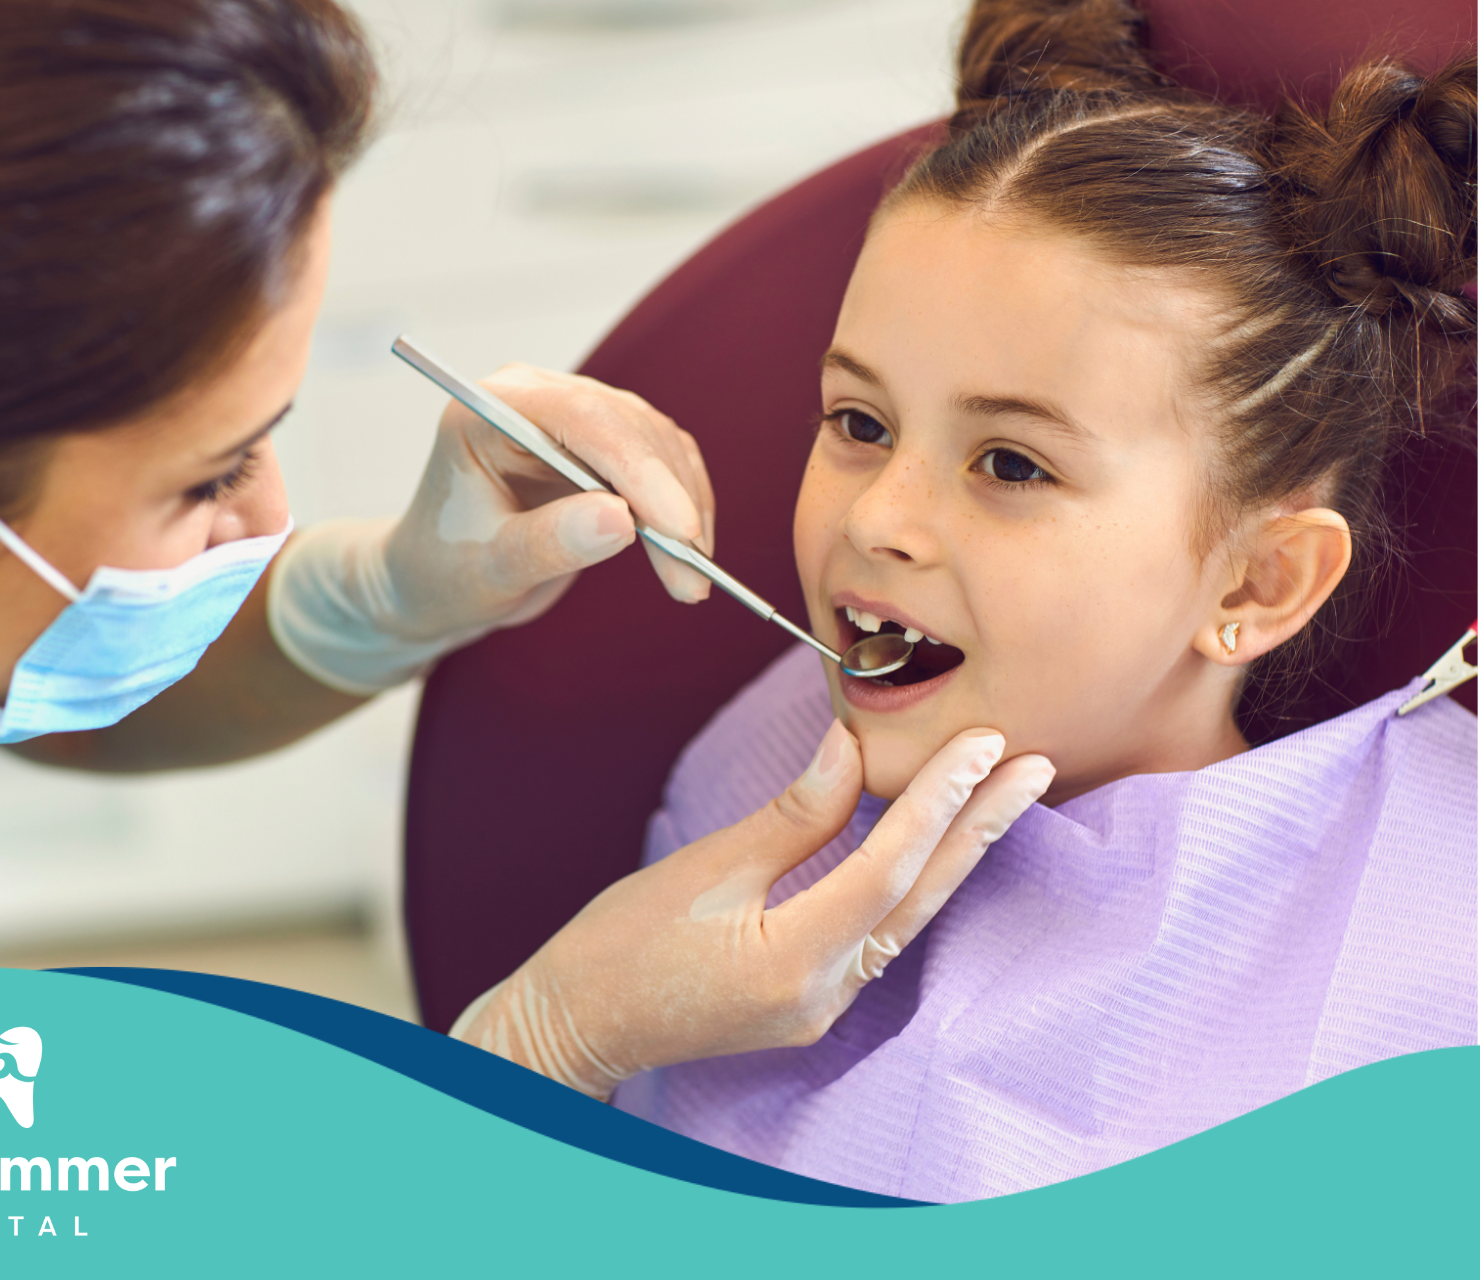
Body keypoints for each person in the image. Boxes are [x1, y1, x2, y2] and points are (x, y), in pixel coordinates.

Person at [0, 0, 1049, 1060]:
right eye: (208, 475)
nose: (273, 516)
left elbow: (23, 678)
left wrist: (385, 596)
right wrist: (542, 1051)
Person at [487, 0, 1475, 1200]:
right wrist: (553, 1038)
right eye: (858, 423)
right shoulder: (765, 758)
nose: (873, 520)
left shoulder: (1425, 936)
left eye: (1011, 464)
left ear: (1259, 581)